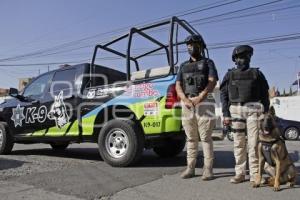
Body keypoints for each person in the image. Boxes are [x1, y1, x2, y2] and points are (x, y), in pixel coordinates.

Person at [220, 45, 270, 184]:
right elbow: (223, 95)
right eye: (241, 57)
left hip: (254, 109)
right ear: (235, 59)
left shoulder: (256, 74)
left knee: (253, 143)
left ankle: (254, 175)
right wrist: (225, 114)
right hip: (235, 110)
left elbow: (265, 95)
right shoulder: (229, 74)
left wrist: (265, 111)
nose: (244, 59)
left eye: (247, 56)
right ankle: (240, 174)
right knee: (238, 143)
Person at [176, 34, 218, 180]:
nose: (191, 47)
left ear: (200, 46)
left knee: (206, 138)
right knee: (191, 139)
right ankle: (190, 168)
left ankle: (208, 169)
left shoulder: (208, 62)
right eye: (188, 45)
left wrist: (201, 97)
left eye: (194, 44)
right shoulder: (183, 66)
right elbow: (178, 85)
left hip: (204, 102)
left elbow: (212, 82)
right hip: (187, 103)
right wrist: (184, 99)